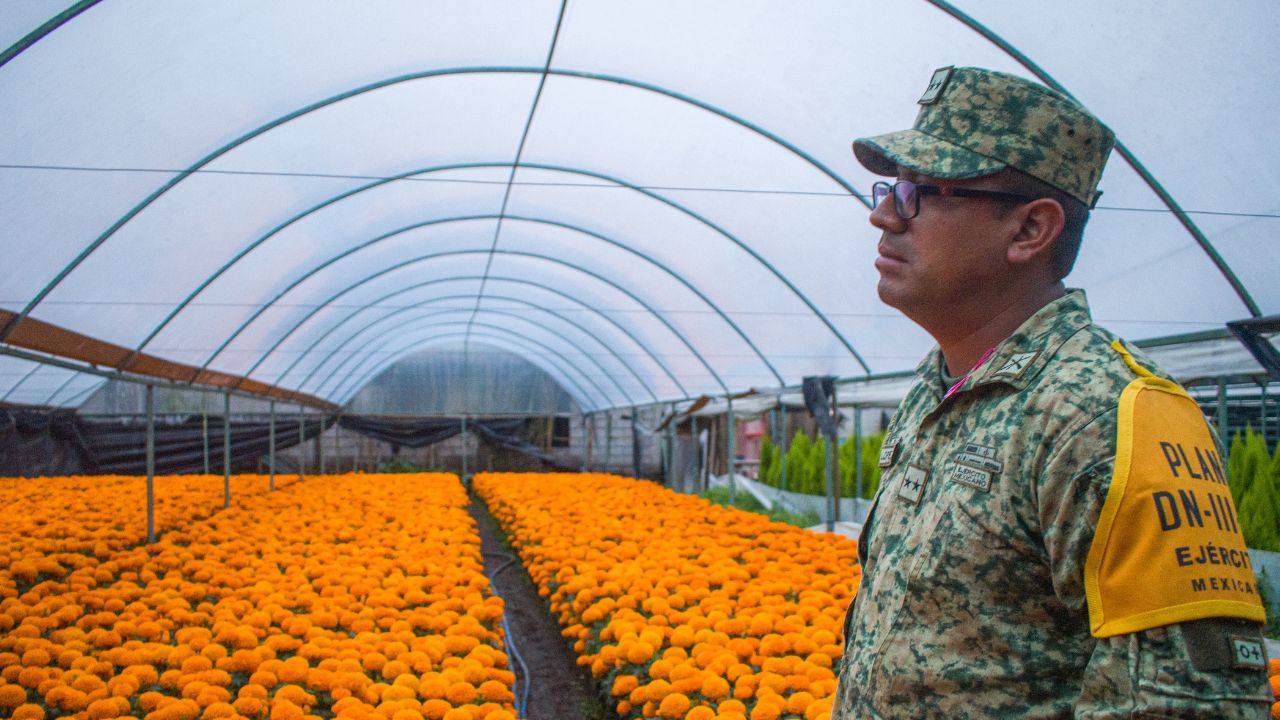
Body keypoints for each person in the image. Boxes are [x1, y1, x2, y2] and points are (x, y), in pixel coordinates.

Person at [832, 66, 1271, 718]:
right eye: (894, 187)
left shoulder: (1110, 418)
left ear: (1031, 230)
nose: (885, 214)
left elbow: (1192, 705)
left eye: (925, 191)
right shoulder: (939, 390)